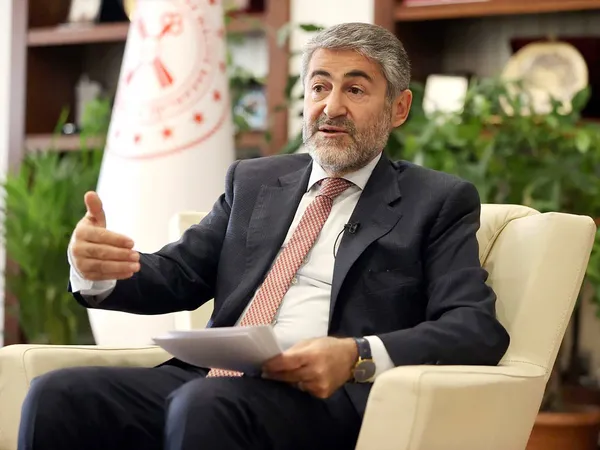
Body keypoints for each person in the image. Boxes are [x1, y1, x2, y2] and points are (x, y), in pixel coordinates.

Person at [18, 22, 509, 450]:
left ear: (398, 108)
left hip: (324, 398)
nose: (332, 107)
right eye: (319, 87)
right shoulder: (254, 181)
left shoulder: (436, 201)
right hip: (211, 380)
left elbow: (473, 327)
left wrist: (356, 355)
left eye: (356, 90)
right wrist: (98, 270)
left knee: (204, 404)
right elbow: (179, 274)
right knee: (57, 395)